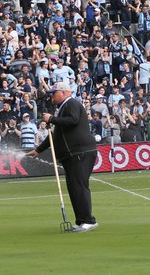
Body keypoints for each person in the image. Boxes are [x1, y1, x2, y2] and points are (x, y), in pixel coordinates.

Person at [28, 81, 97, 232]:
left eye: (54, 93)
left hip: (80, 152)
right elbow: (55, 135)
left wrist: (52, 119)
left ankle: (88, 220)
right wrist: (39, 150)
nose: (52, 96)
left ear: (64, 92)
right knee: (73, 188)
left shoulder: (71, 103)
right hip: (71, 154)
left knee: (79, 186)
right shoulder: (62, 108)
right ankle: (81, 220)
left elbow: (73, 120)